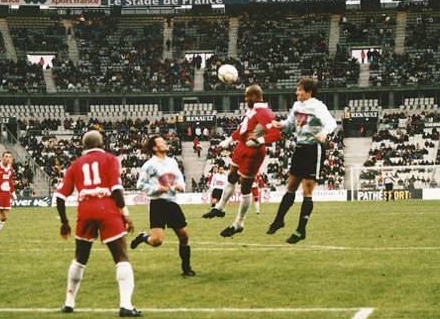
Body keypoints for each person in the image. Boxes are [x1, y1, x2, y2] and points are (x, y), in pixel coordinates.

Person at [54, 130, 141, 317]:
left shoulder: (75, 165)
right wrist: (125, 214)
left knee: (80, 258)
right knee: (121, 257)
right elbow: (117, 191)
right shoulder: (110, 159)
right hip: (107, 208)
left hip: (85, 210)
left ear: (84, 146)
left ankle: (69, 303)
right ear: (101, 143)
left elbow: (60, 196)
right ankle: (125, 305)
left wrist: (64, 222)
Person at [202, 85, 280, 237]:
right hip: (241, 147)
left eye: (247, 97)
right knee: (231, 177)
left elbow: (276, 134)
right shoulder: (252, 110)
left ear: (254, 96)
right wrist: (228, 140)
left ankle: (239, 223)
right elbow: (242, 130)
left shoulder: (264, 112)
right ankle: (220, 207)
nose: (245, 99)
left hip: (253, 152)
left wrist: (260, 140)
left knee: (245, 188)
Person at [267, 78, 337, 244]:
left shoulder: (317, 106)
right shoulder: (297, 106)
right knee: (290, 186)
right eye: (297, 90)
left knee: (307, 190)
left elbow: (331, 123)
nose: (296, 93)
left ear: (309, 92)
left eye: (299, 90)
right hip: (299, 149)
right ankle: (279, 220)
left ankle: (300, 230)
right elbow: (290, 124)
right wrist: (280, 125)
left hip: (313, 150)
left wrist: (325, 133)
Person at [131, 135, 196, 277]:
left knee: (184, 236)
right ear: (155, 148)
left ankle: (186, 268)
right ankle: (143, 237)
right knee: (157, 241)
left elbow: (180, 178)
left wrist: (181, 186)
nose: (166, 143)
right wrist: (157, 189)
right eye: (162, 142)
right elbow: (140, 184)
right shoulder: (149, 165)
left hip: (172, 203)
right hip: (157, 204)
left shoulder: (172, 162)